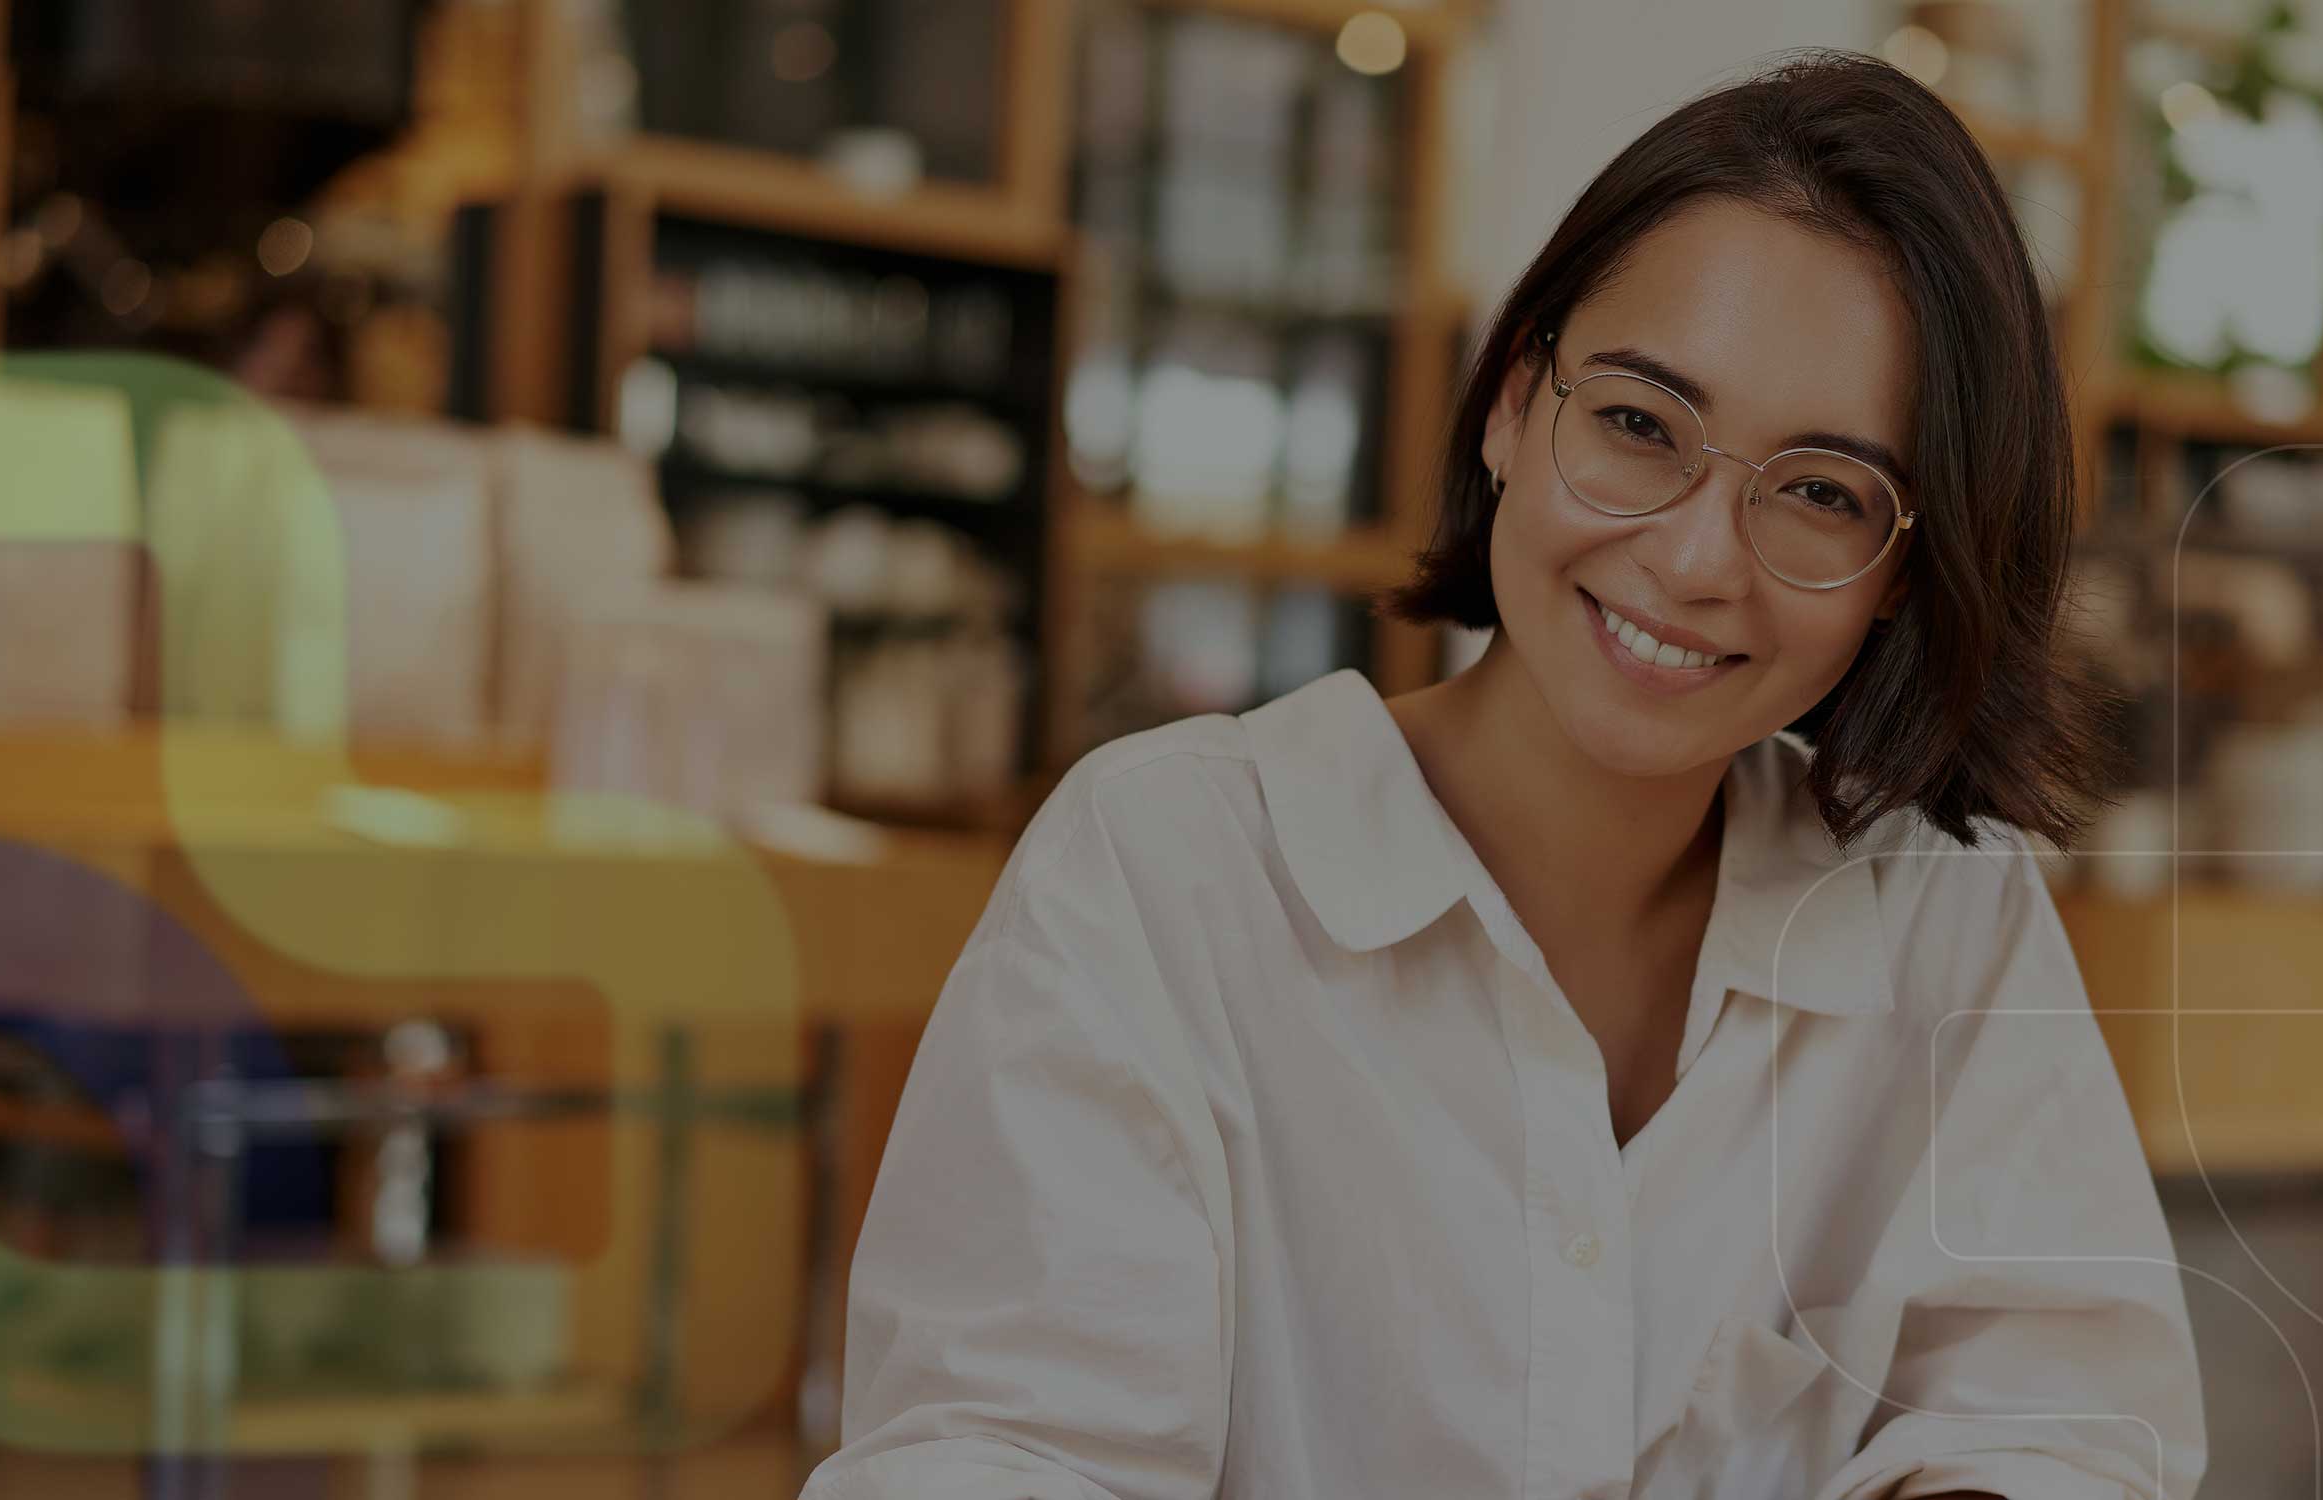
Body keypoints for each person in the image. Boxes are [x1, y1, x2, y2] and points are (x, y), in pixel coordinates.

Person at [803, 51, 2205, 1500]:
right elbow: (1002, 1456)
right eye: (1639, 425)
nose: (1696, 558)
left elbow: (2062, 1424)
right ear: (1511, 408)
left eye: (1821, 492)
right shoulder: (1165, 870)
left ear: (1906, 572)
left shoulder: (1941, 913)